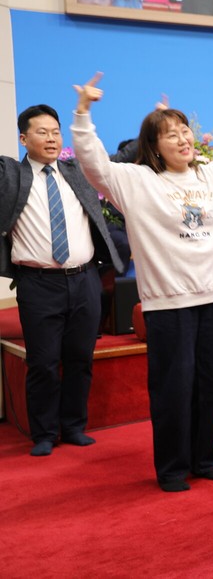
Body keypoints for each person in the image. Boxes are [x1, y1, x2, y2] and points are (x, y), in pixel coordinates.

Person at [70, 73, 213, 491]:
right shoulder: (137, 181)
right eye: (171, 134)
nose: (183, 139)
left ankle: (204, 458)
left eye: (185, 131)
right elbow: (94, 165)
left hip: (212, 300)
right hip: (167, 305)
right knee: (172, 389)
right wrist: (83, 112)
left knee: (212, 385)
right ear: (154, 145)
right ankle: (173, 467)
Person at [1, 105, 126, 457]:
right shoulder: (11, 177)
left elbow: (118, 158)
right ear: (23, 139)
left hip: (84, 280)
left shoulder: (77, 171)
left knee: (80, 358)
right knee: (42, 362)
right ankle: (44, 433)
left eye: (55, 132)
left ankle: (73, 426)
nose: (51, 138)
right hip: (38, 284)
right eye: (42, 132)